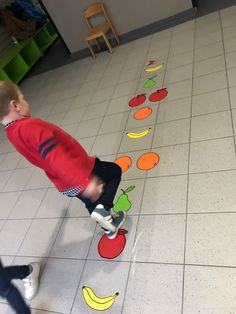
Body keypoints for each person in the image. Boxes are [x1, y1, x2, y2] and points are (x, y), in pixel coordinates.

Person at [0, 81, 126, 239]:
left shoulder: (11, 133)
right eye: (22, 98)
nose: (25, 101)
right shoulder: (31, 127)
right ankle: (104, 208)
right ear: (15, 105)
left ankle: (109, 228)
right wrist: (84, 182)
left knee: (91, 202)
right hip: (82, 171)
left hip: (63, 183)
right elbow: (56, 158)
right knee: (115, 171)